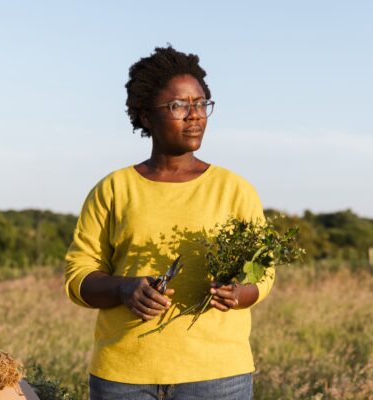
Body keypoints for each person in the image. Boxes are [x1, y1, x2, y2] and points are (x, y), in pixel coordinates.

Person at [64, 46, 275, 400]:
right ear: (146, 116)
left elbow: (263, 274)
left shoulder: (235, 189)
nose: (194, 115)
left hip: (218, 376)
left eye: (201, 103)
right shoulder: (114, 189)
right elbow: (77, 277)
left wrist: (240, 294)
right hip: (123, 377)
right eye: (178, 106)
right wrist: (123, 289)